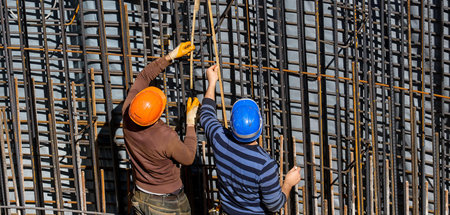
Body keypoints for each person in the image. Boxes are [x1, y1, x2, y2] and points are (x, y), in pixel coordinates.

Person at [199, 64, 302, 214]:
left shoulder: (219, 139)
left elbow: (206, 115)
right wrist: (288, 183)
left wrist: (212, 82)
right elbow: (275, 205)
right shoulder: (265, 166)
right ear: (260, 126)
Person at [122, 42, 199, 214]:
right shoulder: (165, 137)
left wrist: (170, 56)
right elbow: (188, 158)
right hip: (166, 204)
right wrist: (191, 122)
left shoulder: (128, 113)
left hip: (140, 196)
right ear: (157, 116)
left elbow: (143, 77)